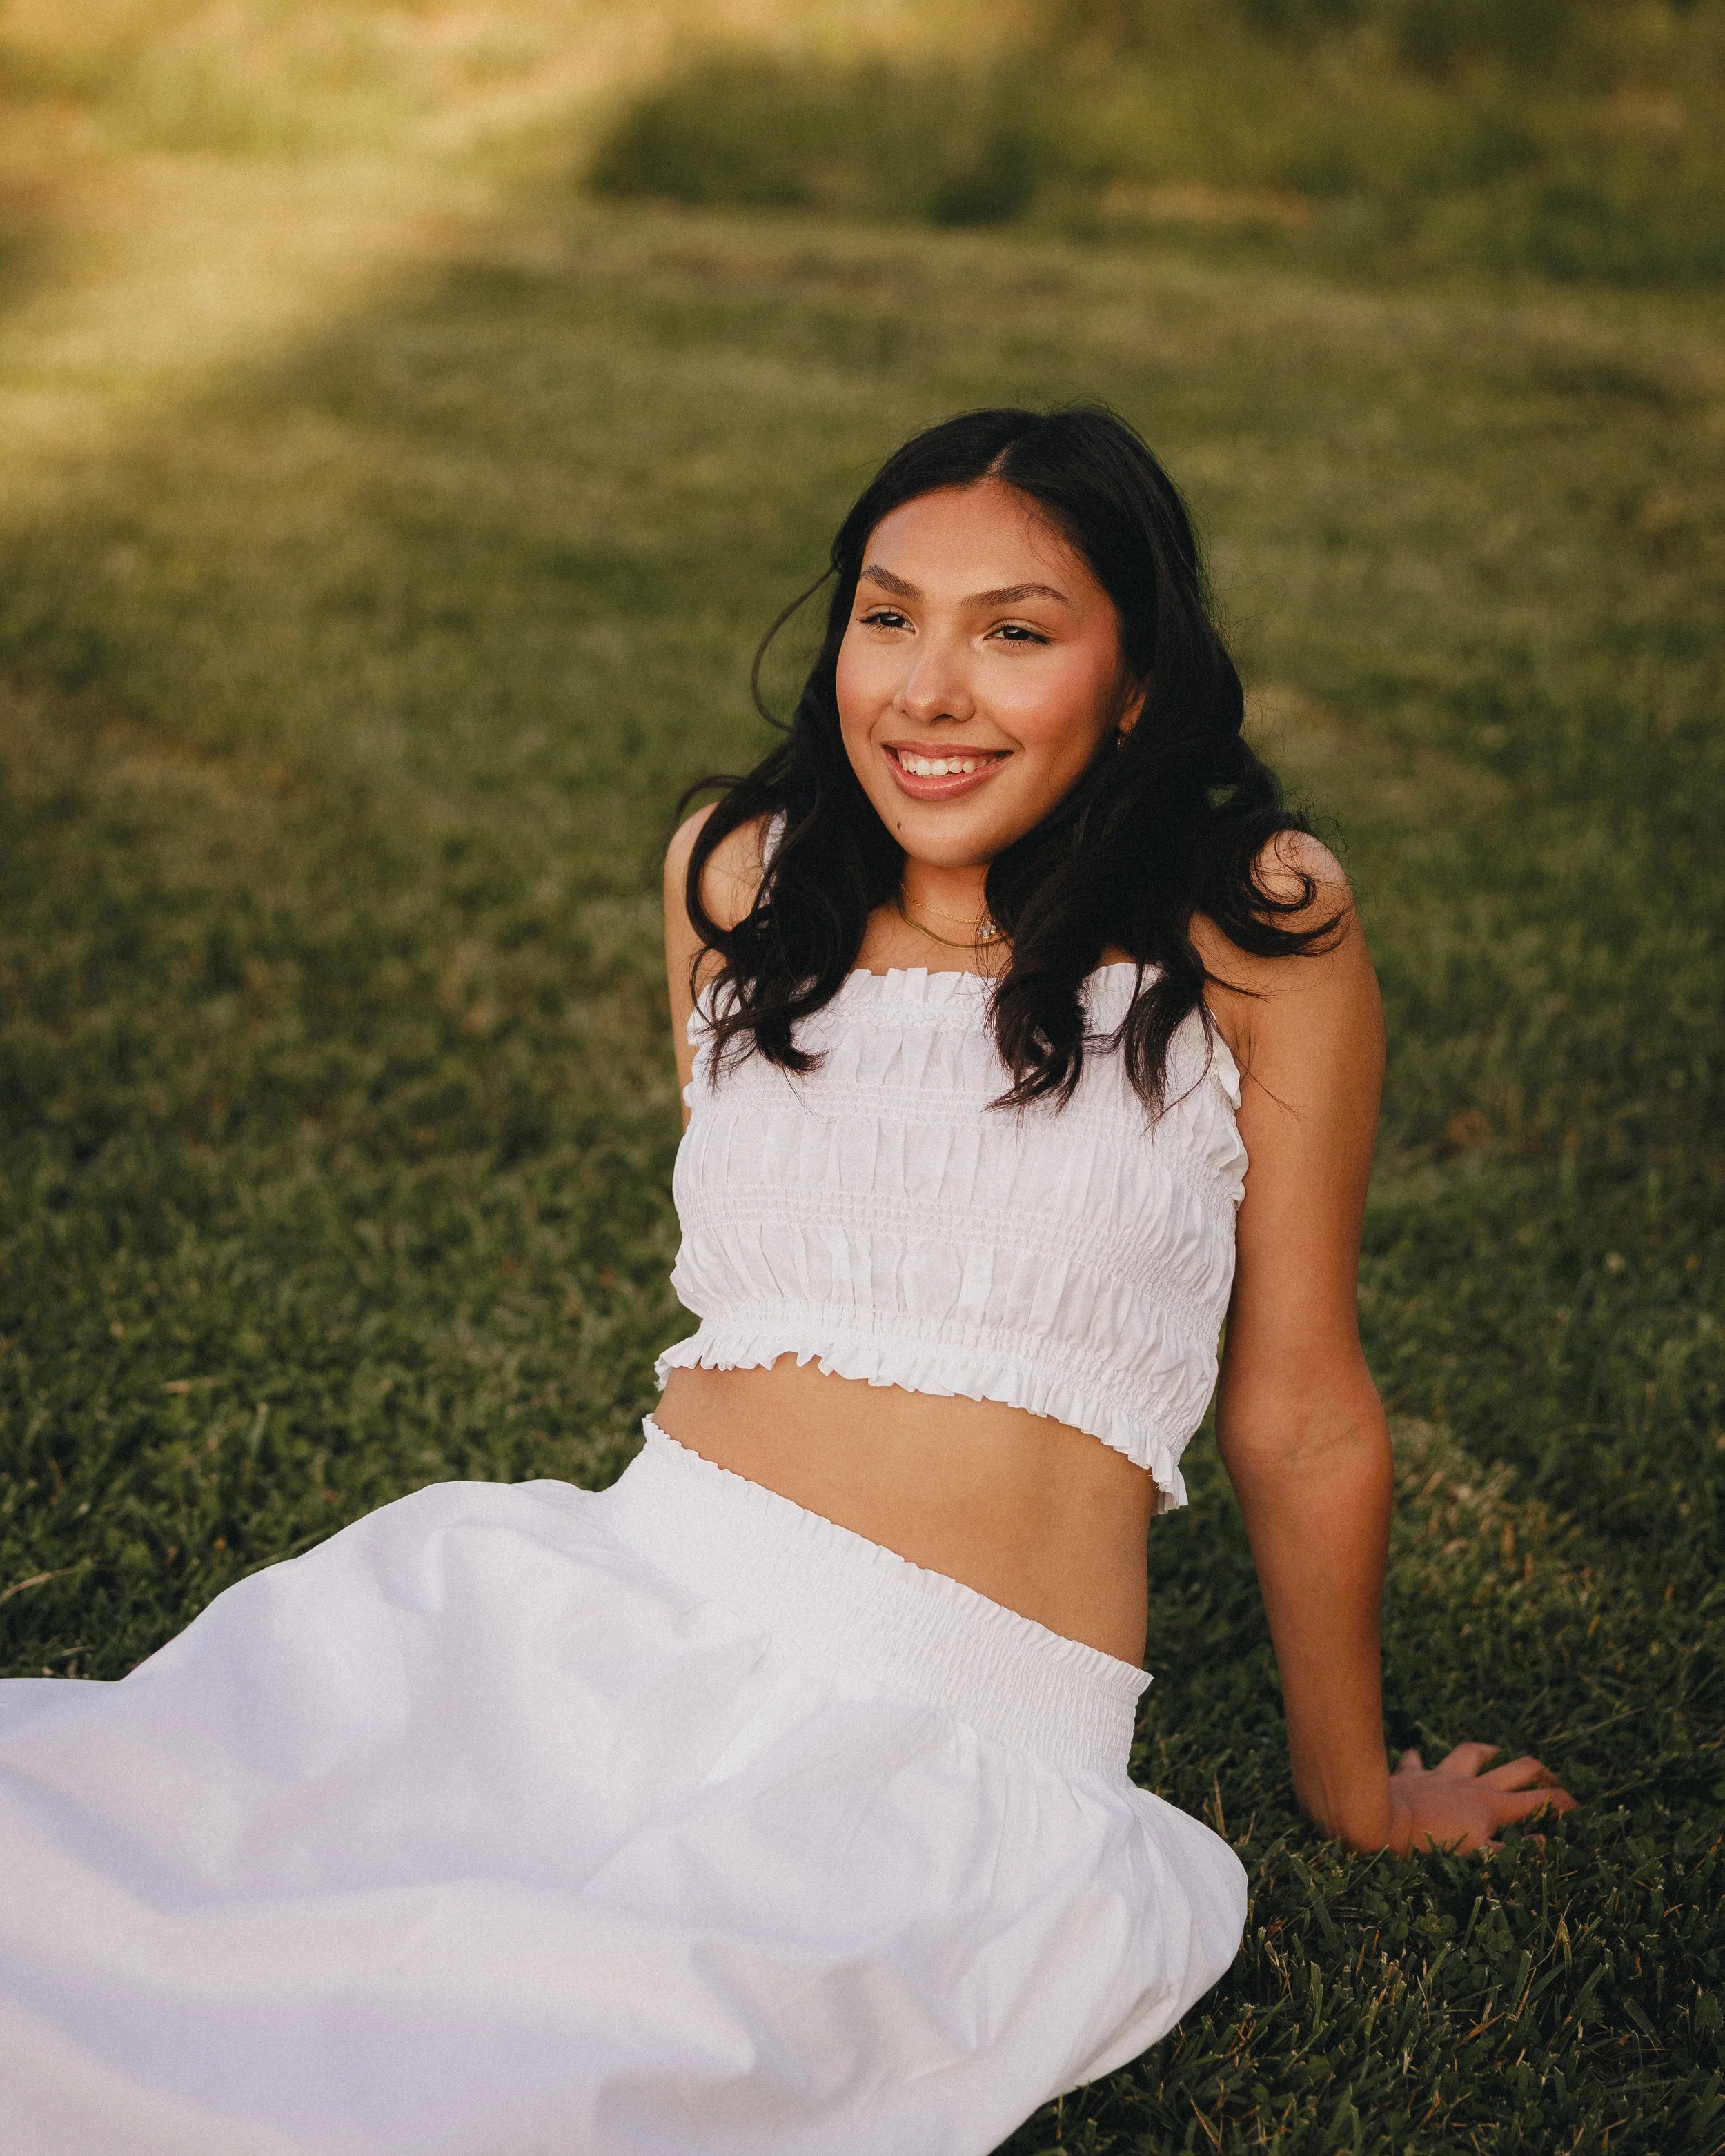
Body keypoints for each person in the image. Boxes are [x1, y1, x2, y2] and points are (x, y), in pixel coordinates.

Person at [0, 406, 1573, 2156]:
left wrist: (1349, 1795)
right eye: (887, 617)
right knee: (113, 1889)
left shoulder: (1253, 919)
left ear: (1134, 684)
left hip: (953, 1740)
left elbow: (1298, 1401)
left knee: (494, 2066)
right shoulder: (735, 874)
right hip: (600, 1606)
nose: (927, 688)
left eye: (1016, 631)